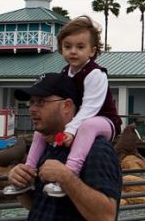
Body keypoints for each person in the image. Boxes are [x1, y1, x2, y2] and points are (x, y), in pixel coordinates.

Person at [5, 16, 122, 198]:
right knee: (40, 133)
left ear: (92, 51)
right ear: (61, 50)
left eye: (80, 47)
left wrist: (71, 130)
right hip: (78, 122)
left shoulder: (95, 74)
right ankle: (28, 172)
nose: (73, 52)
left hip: (105, 121)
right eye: (68, 47)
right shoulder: (65, 73)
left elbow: (90, 108)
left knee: (88, 125)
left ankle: (69, 172)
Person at [6, 72, 122, 221]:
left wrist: (66, 178)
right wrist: (21, 185)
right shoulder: (46, 146)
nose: (32, 109)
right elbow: (39, 204)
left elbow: (106, 216)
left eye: (41, 102)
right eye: (32, 102)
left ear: (67, 106)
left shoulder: (97, 149)